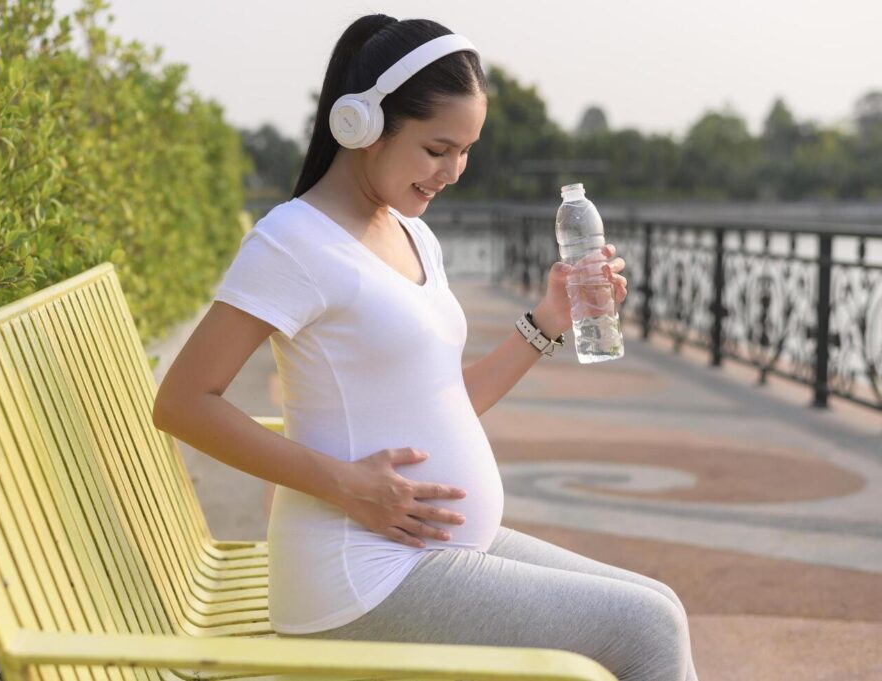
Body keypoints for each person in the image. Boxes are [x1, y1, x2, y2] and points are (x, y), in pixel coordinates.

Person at [152, 13, 699, 681]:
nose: (454, 170)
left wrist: (548, 319)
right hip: (357, 577)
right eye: (438, 148)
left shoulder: (414, 234)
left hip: (424, 551)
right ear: (366, 125)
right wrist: (351, 487)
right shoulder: (293, 240)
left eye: (466, 150)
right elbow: (182, 402)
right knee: (644, 627)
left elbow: (443, 403)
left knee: (659, 600)